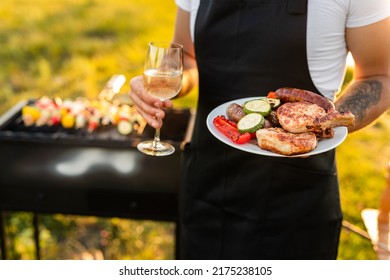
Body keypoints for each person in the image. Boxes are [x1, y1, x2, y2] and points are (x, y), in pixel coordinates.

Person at [129, 0, 390, 259]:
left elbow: (379, 75)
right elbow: (187, 58)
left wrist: (326, 123)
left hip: (296, 199)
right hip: (206, 181)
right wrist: (164, 81)